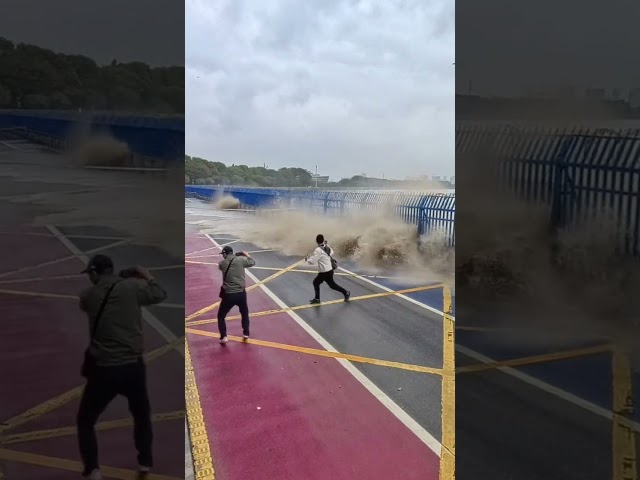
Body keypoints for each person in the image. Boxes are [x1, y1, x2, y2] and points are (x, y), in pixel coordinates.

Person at [77, 254, 167, 480]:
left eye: (90, 274)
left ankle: (92, 469)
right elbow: (159, 294)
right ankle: (145, 461)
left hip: (104, 369)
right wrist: (145, 276)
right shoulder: (132, 288)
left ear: (95, 273)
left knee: (85, 420)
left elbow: (87, 302)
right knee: (141, 415)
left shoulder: (88, 296)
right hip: (133, 369)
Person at [217, 245, 256, 344]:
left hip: (229, 294)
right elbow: (252, 262)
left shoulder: (222, 263)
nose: (222, 256)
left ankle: (224, 337)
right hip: (241, 294)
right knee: (244, 313)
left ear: (225, 254)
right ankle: (246, 333)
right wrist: (246, 255)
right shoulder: (240, 260)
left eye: (223, 254)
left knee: (221, 316)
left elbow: (222, 266)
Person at [305, 234, 350, 304]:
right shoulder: (327, 246)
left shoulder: (318, 250)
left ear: (316, 241)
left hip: (324, 272)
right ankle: (345, 293)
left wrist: (307, 259)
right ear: (323, 240)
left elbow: (312, 261)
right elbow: (332, 252)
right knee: (329, 285)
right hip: (329, 270)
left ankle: (346, 292)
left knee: (318, 283)